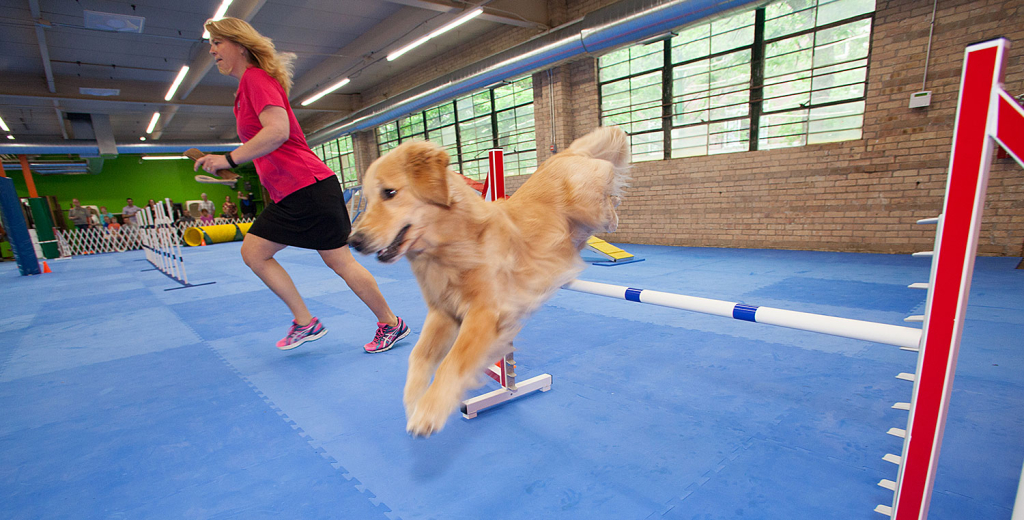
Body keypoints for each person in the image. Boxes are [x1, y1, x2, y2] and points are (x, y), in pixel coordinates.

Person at [196, 17, 409, 353]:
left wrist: (230, 158)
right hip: (301, 188)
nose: (212, 51)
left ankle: (319, 322)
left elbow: (277, 131)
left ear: (239, 45)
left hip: (305, 187)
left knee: (257, 253)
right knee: (333, 261)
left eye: (217, 43)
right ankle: (383, 324)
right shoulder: (246, 88)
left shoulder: (255, 79)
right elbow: (270, 143)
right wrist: (228, 164)